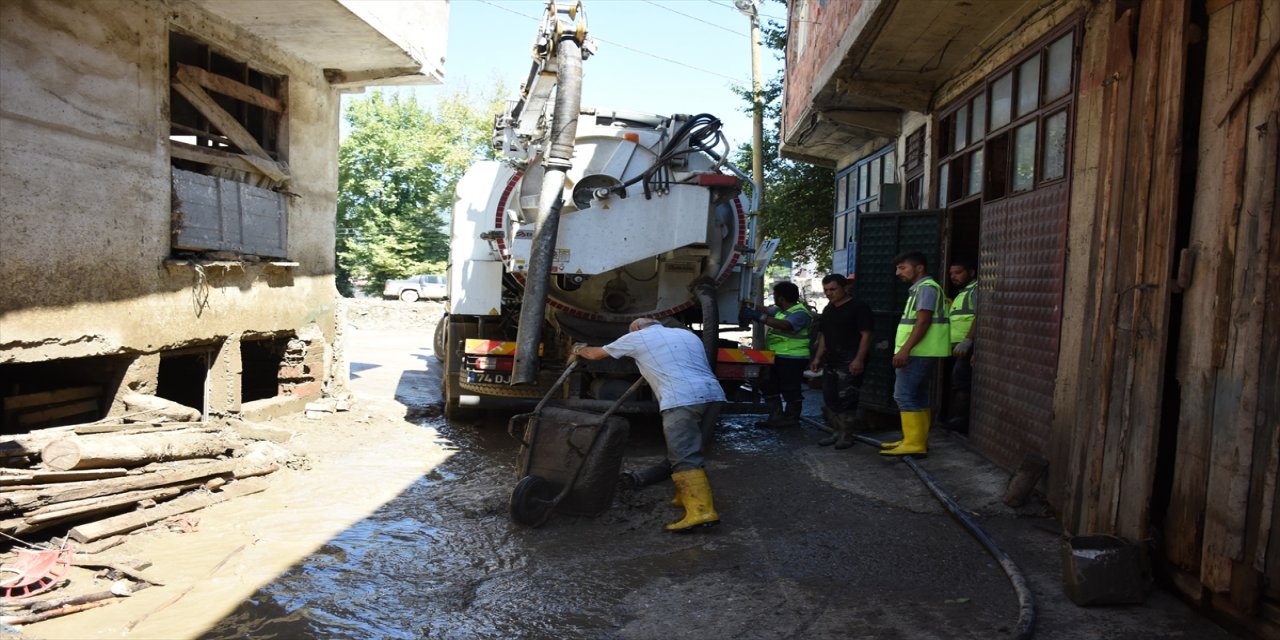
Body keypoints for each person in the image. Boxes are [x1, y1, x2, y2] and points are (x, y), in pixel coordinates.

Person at [573, 318, 725, 532]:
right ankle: (684, 496)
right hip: (713, 394)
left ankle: (701, 512)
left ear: (636, 328)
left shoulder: (638, 337)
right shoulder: (687, 335)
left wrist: (579, 349)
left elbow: (595, 354)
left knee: (684, 454)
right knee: (691, 448)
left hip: (682, 398)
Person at [881, 251, 950, 457]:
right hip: (922, 351)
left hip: (917, 352)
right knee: (918, 396)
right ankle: (916, 440)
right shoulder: (921, 289)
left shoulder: (926, 289)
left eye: (902, 268)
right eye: (897, 268)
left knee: (903, 395)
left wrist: (905, 350)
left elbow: (923, 322)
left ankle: (914, 443)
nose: (897, 272)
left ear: (919, 268)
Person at [809, 274, 873, 449]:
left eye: (833, 289)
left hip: (850, 359)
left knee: (848, 398)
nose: (829, 293)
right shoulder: (829, 309)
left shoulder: (859, 308)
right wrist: (817, 358)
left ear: (844, 288)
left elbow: (866, 335)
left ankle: (846, 435)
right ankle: (835, 431)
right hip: (831, 360)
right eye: (826, 290)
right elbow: (824, 336)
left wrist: (859, 359)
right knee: (830, 397)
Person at [739, 281, 814, 428]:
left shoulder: (800, 313)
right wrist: (749, 306)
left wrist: (758, 316)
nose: (773, 298)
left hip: (793, 357)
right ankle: (776, 417)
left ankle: (791, 419)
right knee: (769, 385)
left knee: (790, 388)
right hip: (777, 356)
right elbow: (767, 310)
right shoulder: (782, 310)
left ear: (781, 298)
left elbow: (785, 325)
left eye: (775, 295)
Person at [943, 258, 978, 435]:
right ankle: (956, 419)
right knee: (956, 383)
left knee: (961, 383)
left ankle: (961, 421)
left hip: (967, 348)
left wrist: (968, 341)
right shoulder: (961, 293)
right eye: (951, 274)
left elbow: (981, 317)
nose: (953, 277)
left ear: (971, 273)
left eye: (958, 272)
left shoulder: (975, 290)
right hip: (956, 349)